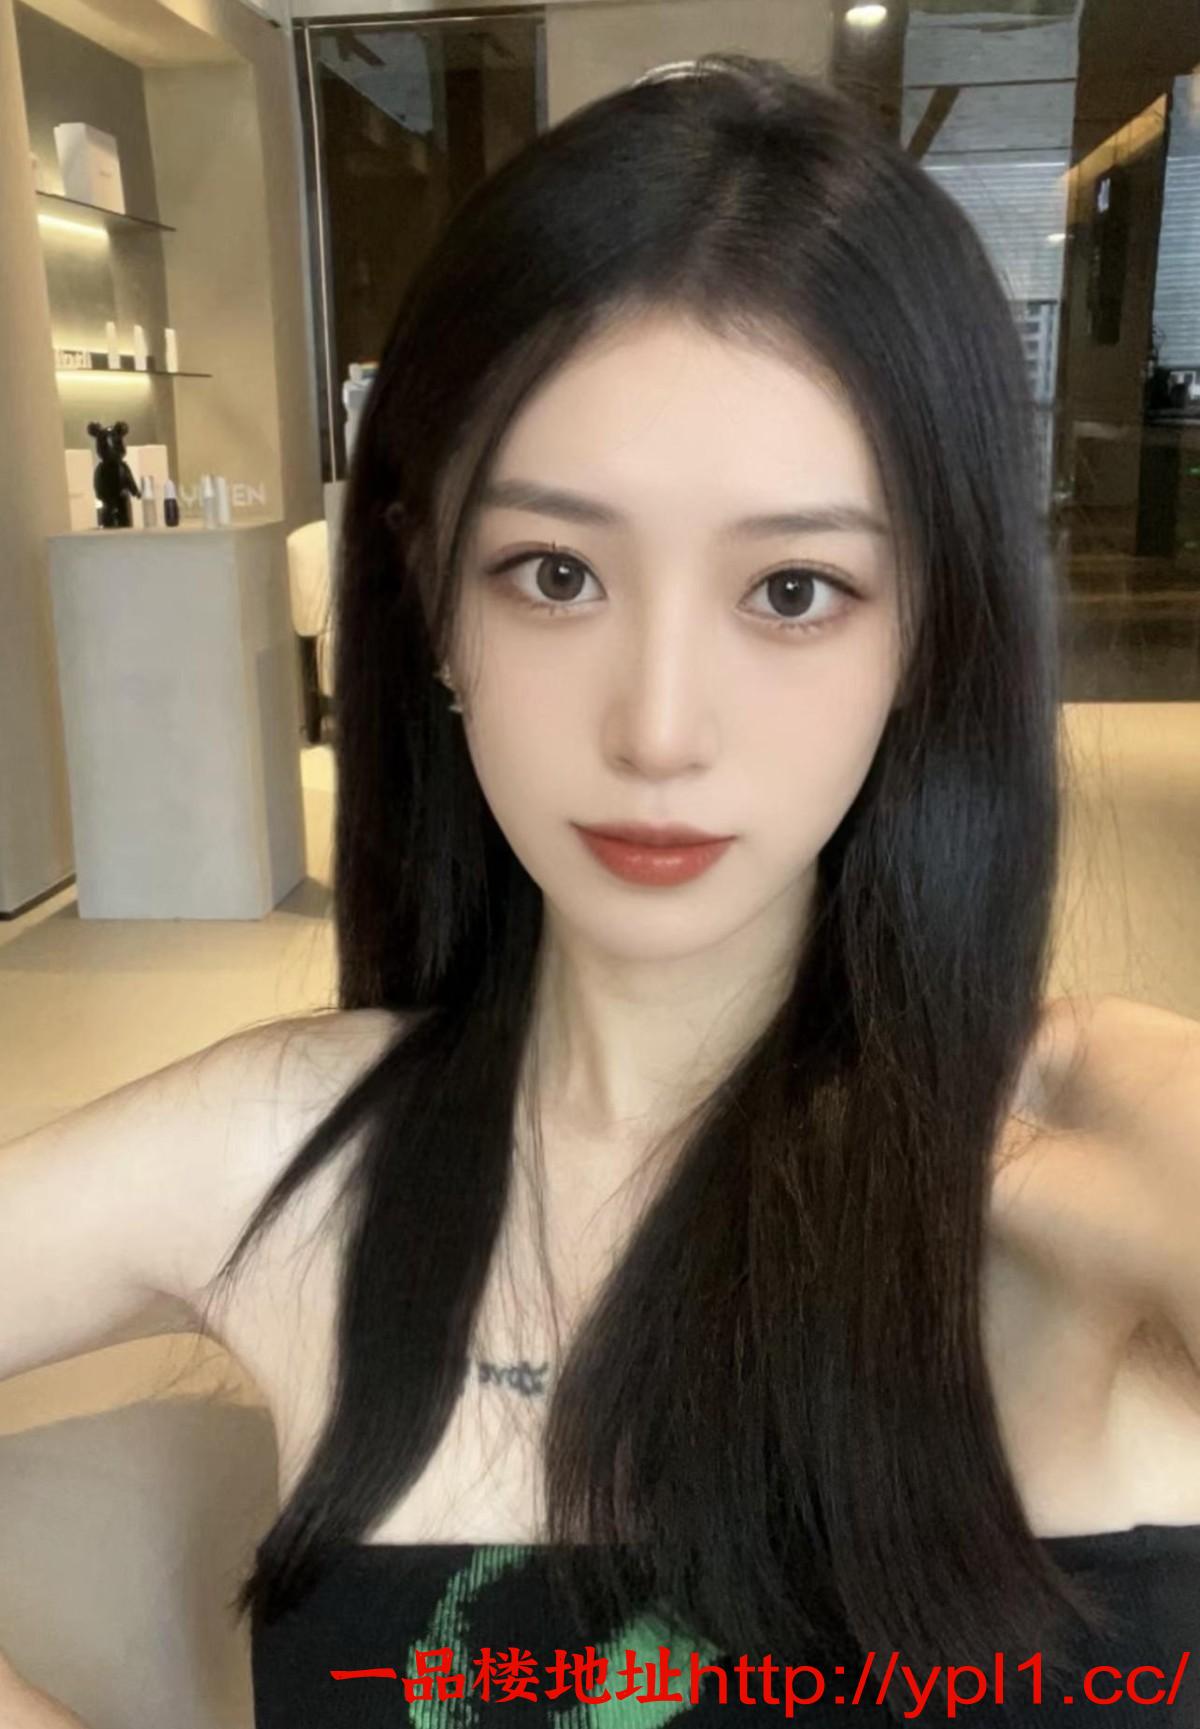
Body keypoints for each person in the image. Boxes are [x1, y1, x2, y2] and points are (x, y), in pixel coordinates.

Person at [2, 53, 1198, 1729]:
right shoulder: (286, 1153)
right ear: (432, 598)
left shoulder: (1103, 1141)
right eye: (555, 573)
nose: (658, 729)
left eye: (794, 589)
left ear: (928, 628)